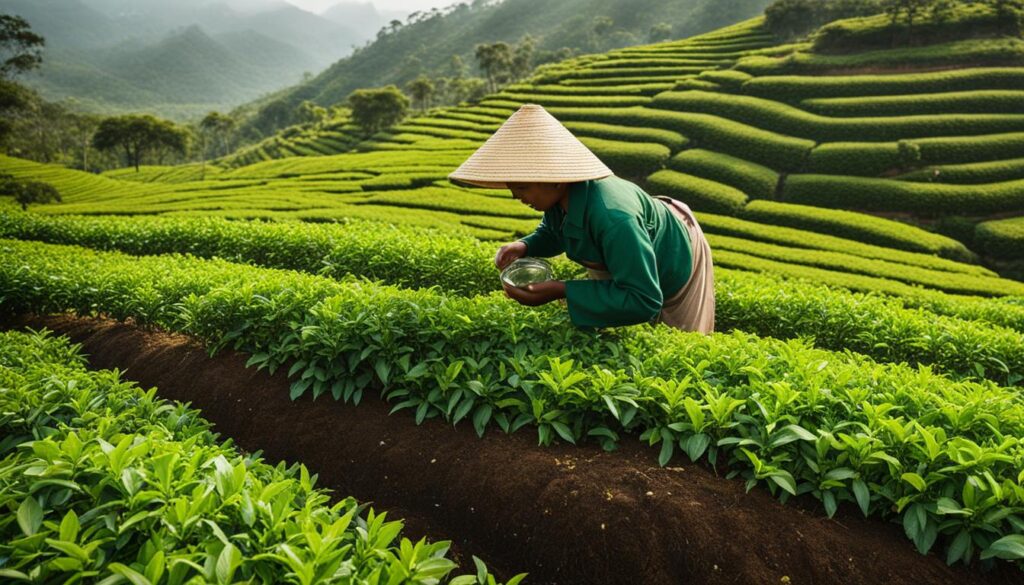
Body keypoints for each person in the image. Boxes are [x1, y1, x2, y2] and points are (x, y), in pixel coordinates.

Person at [448, 103, 715, 333]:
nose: (516, 196)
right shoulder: (562, 197)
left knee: (682, 338)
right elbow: (556, 231)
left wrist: (561, 289)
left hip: (677, 251)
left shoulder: (614, 218)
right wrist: (525, 246)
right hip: (633, 238)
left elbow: (643, 299)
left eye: (522, 187)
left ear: (555, 181)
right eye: (512, 188)